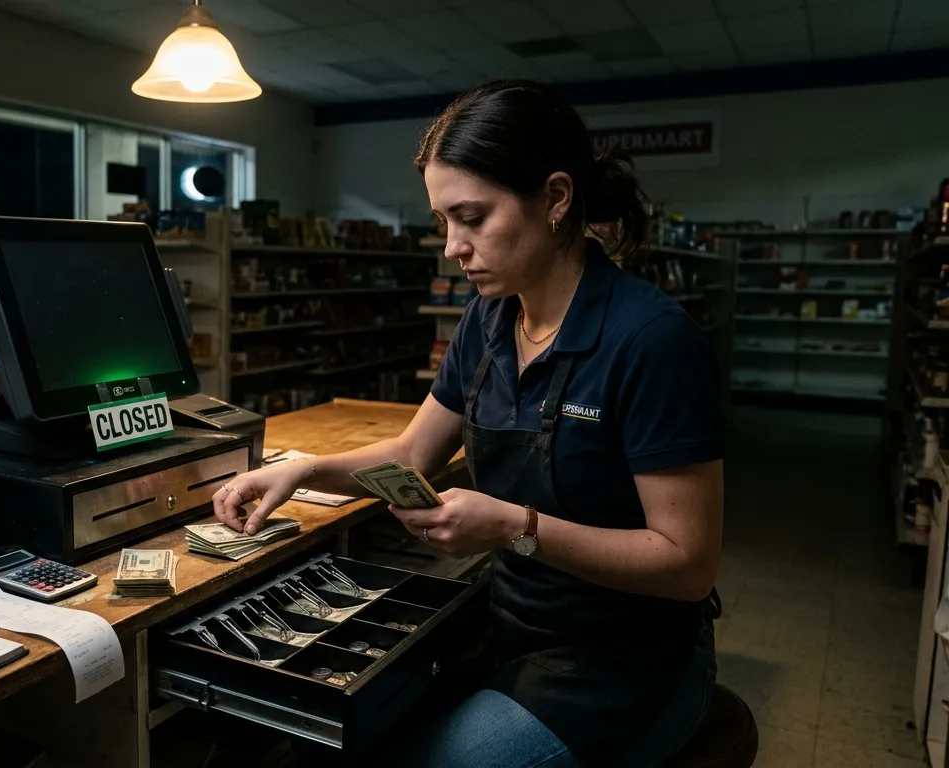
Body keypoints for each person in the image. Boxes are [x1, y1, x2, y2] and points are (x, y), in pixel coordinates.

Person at [211, 79, 723, 768]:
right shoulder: (489, 319)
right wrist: (302, 470)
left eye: (473, 217)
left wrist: (517, 527)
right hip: (509, 622)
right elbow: (412, 453)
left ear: (556, 199)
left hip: (626, 663)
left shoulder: (651, 340)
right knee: (315, 730)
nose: (453, 246)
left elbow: (687, 564)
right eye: (443, 222)